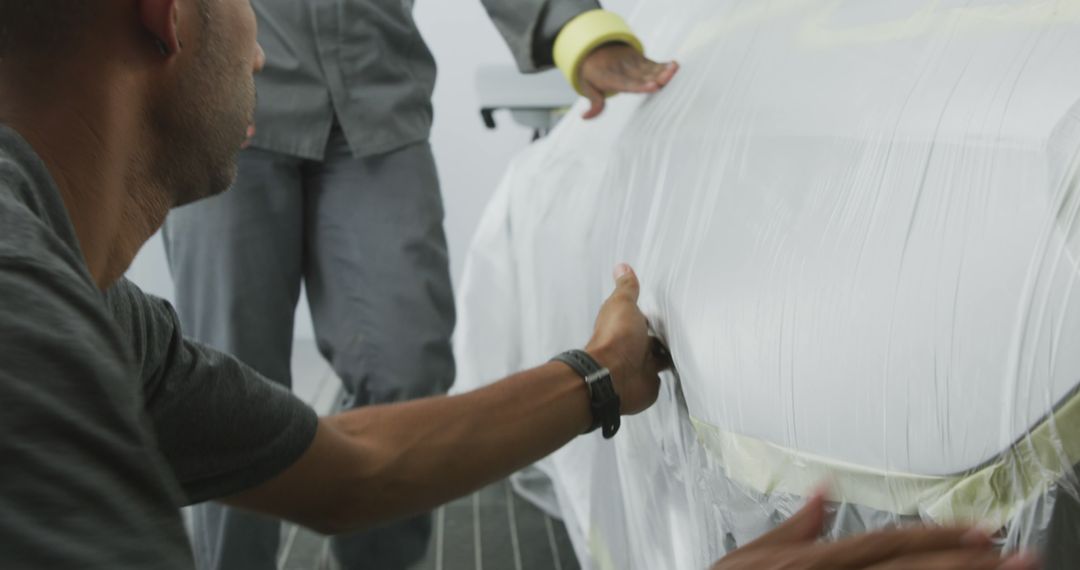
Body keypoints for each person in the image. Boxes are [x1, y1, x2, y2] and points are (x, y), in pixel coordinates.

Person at [0, 1, 1038, 569]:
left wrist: (599, 375)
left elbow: (343, 468)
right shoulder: (31, 348)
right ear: (164, 15)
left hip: (379, 109)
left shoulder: (86, 313)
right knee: (240, 349)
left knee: (389, 366)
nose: (261, 37)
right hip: (241, 148)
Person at [159, 0, 679, 566]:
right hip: (226, 86)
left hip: (375, 97)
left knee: (409, 366)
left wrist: (579, 32)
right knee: (231, 388)